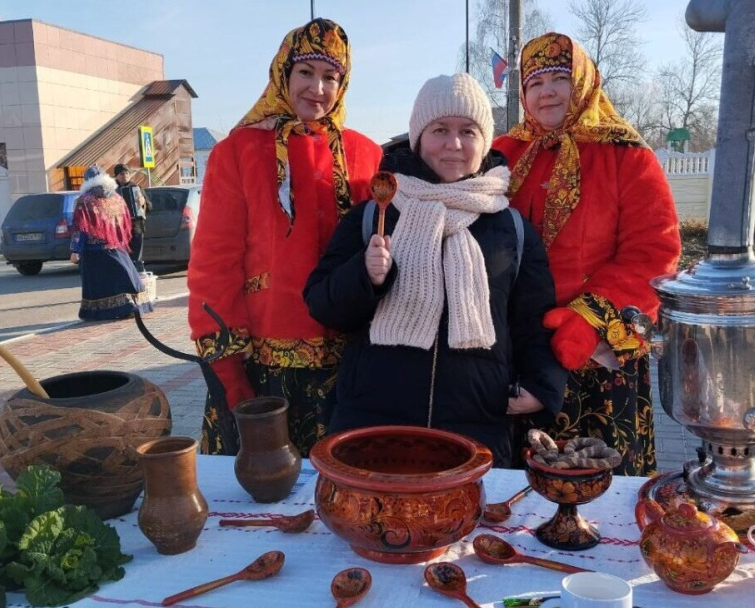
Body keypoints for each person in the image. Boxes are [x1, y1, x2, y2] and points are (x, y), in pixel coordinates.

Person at [304, 73, 567, 468]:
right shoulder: (372, 215)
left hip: (476, 432)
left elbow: (534, 321)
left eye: (468, 131)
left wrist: (542, 386)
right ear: (418, 137)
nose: (454, 144)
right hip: (372, 432)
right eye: (439, 129)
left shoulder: (511, 227)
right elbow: (322, 305)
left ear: (485, 141)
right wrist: (367, 277)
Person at [186, 18, 382, 457]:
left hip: (348, 363)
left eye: (331, 77)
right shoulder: (237, 152)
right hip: (263, 364)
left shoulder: (366, 155)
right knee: (260, 497)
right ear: (283, 74)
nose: (318, 88)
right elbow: (215, 261)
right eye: (306, 73)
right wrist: (229, 371)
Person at [493, 33, 681, 475]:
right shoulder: (502, 153)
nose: (547, 92)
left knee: (596, 485)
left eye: (560, 78)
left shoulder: (626, 155)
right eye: (536, 82)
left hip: (596, 355)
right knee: (519, 485)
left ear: (583, 80)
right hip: (519, 350)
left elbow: (654, 251)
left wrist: (590, 318)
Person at [70, 166, 153, 321]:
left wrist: (76, 250)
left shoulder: (85, 200)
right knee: (123, 277)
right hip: (117, 246)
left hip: (93, 250)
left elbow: (80, 227)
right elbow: (126, 220)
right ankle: (133, 305)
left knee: (99, 284)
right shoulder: (116, 197)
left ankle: (102, 312)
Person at [113, 164, 147, 272]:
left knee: (137, 254)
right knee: (124, 253)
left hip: (136, 225)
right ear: (116, 176)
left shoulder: (136, 187)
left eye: (127, 173)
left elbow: (149, 206)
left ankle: (138, 271)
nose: (125, 176)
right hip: (120, 226)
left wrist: (143, 202)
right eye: (122, 174)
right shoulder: (112, 189)